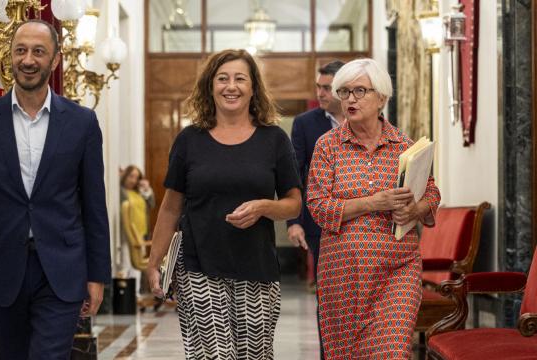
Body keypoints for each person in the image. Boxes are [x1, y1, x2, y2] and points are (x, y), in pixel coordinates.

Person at [0, 19, 111, 360]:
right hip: (1, 267)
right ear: (10, 57)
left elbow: (94, 204)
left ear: (55, 60)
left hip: (61, 268)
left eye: (38, 51)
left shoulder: (82, 123)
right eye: (20, 51)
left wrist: (98, 275)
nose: (28, 59)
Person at [146, 49, 302, 359]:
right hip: (198, 267)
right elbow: (170, 207)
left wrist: (263, 207)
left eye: (240, 79)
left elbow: (294, 204)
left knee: (254, 355)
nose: (231, 86)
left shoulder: (274, 140)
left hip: (256, 268)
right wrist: (154, 263)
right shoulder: (189, 140)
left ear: (253, 87)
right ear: (210, 86)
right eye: (222, 79)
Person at [306, 58, 440, 359]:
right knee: (347, 353)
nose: (350, 99)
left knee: (393, 350)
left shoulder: (404, 145)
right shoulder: (327, 146)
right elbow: (317, 206)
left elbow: (431, 192)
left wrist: (416, 210)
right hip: (344, 274)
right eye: (344, 92)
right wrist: (372, 203)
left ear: (381, 96)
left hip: (397, 268)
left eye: (359, 91)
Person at [286, 59, 345, 360]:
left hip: (362, 224)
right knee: (330, 297)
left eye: (326, 88)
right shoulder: (306, 124)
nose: (320, 93)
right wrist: (294, 222)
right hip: (320, 224)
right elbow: (295, 174)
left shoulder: (368, 118)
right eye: (318, 87)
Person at [119, 165, 155, 292]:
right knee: (128, 264)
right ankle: (131, 294)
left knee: (139, 265)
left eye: (136, 177)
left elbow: (152, 204)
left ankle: (138, 294)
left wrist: (146, 189)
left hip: (142, 232)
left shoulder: (138, 191)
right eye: (131, 176)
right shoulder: (121, 191)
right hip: (129, 233)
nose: (133, 180)